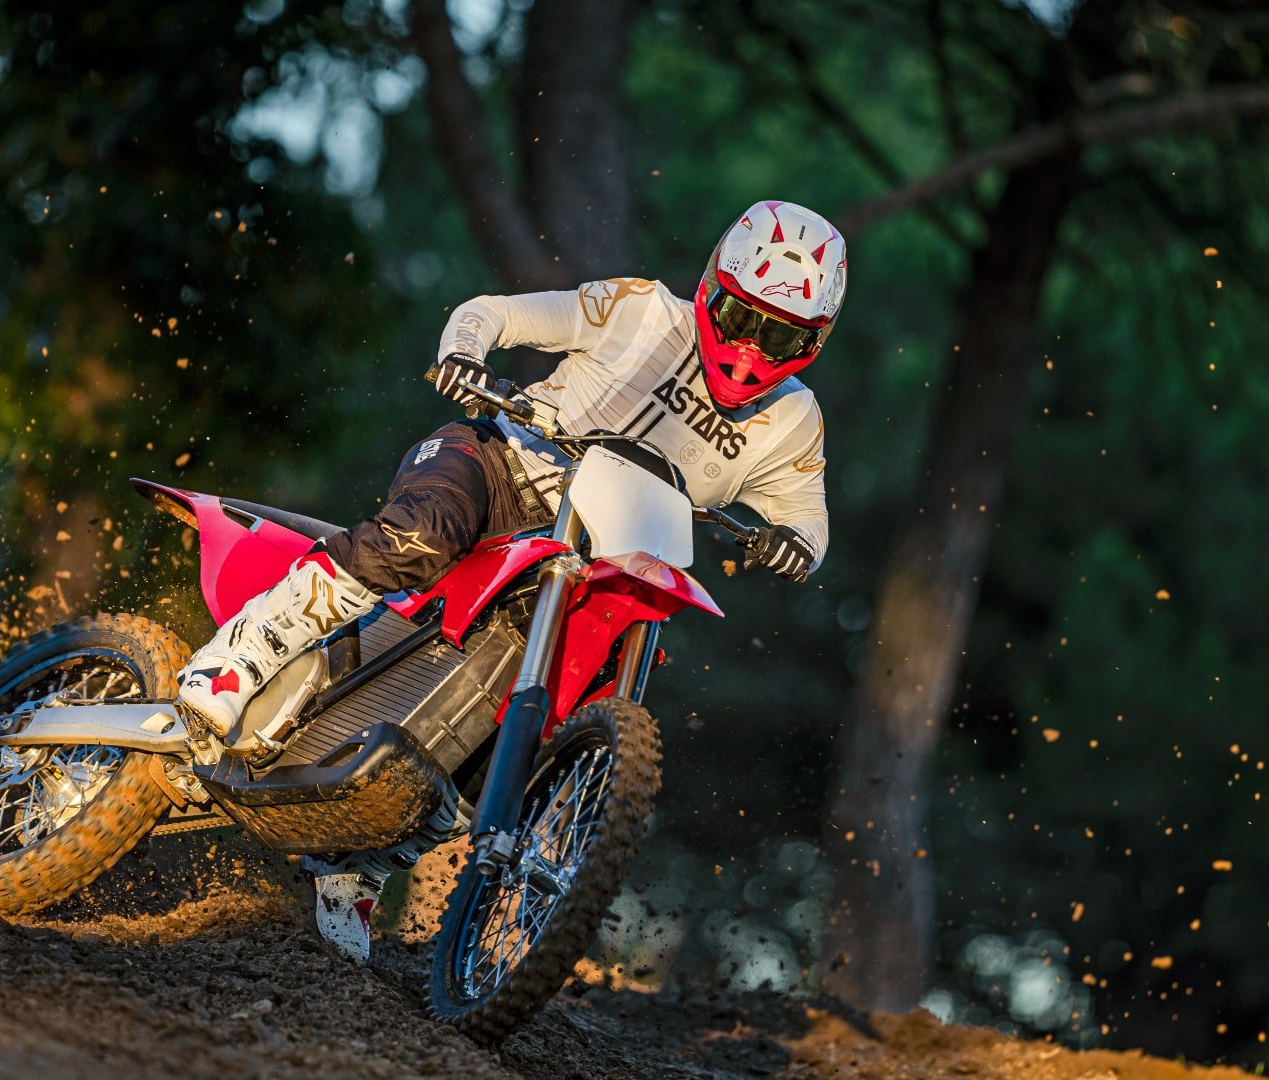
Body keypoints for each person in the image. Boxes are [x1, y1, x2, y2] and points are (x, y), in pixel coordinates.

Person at [175, 200, 846, 962]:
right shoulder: (639, 311)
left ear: (812, 343)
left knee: (525, 736)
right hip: (503, 465)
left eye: (780, 335)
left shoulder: (794, 420)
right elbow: (490, 314)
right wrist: (464, 352)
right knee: (417, 536)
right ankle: (236, 659)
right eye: (738, 316)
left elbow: (810, 519)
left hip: (598, 559)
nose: (751, 350)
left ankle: (357, 865)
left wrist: (795, 545)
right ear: (708, 287)